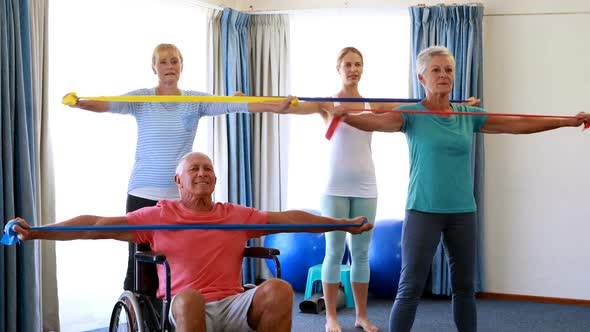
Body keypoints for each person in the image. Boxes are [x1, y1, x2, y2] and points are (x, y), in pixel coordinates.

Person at [333, 45, 590, 332]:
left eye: (449, 70)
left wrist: (566, 122)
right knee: (410, 287)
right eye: (436, 70)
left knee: (464, 288)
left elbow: (517, 124)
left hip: (462, 212)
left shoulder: (468, 115)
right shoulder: (410, 113)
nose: (444, 75)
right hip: (423, 210)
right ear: (421, 78)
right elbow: (377, 122)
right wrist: (348, 116)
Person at [11, 151, 373, 332]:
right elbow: (96, 225)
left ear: (214, 179)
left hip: (234, 302)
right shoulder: (159, 215)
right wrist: (38, 231)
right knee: (189, 298)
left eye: (208, 169)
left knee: (278, 288)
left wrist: (341, 223)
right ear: (179, 181)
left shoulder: (234, 214)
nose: (202, 173)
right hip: (184, 308)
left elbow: (291, 219)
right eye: (193, 170)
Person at [65, 43, 293, 291]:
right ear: (154, 67)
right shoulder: (141, 99)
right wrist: (80, 103)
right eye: (163, 62)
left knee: (179, 262)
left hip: (180, 198)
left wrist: (275, 106)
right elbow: (107, 104)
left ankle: (176, 315)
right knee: (140, 265)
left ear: (181, 66)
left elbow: (235, 105)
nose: (169, 66)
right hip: (143, 193)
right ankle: (141, 319)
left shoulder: (194, 101)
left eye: (174, 61)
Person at [286, 47, 478, 332]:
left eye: (358, 64)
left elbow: (420, 103)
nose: (353, 69)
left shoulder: (373, 103)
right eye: (348, 64)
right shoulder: (328, 103)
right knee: (334, 251)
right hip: (334, 186)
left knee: (362, 253)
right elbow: (292, 106)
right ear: (338, 68)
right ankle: (331, 317)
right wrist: (263, 102)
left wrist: (462, 102)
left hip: (366, 184)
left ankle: (361, 316)